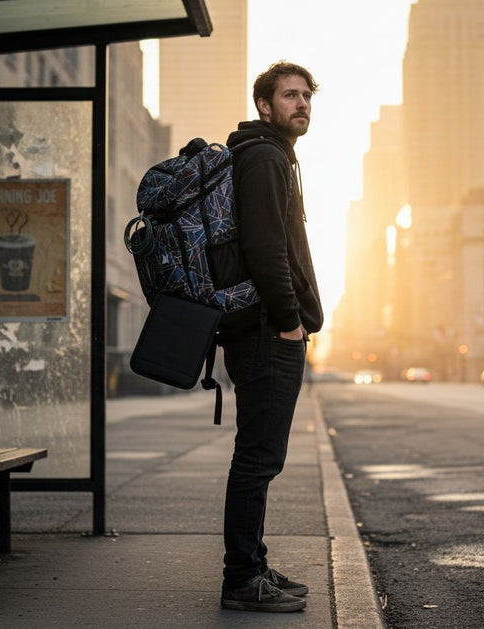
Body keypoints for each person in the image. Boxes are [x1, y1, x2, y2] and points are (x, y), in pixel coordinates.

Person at [217, 61, 324, 613]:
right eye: (290, 95)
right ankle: (241, 578)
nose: (301, 103)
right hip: (266, 332)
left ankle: (252, 564)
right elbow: (266, 249)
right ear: (265, 105)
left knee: (262, 457)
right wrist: (289, 321)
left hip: (268, 330)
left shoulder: (274, 156)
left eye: (307, 96)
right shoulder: (262, 158)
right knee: (257, 459)